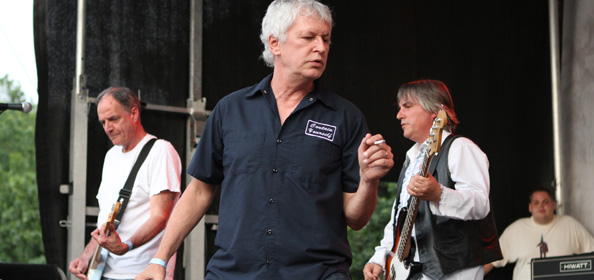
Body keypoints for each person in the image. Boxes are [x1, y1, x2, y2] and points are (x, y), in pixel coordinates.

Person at [136, 0, 394, 279]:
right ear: (275, 44)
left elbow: (356, 219)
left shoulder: (346, 117)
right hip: (233, 273)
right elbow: (199, 192)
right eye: (308, 37)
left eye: (326, 39)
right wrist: (160, 260)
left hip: (316, 274)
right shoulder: (230, 109)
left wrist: (369, 181)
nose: (320, 47)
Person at [363, 80, 503, 280]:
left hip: (454, 267)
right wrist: (380, 257)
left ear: (436, 111)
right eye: (400, 108)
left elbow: (480, 204)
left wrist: (439, 195)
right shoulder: (411, 158)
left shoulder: (460, 148)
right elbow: (398, 219)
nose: (399, 114)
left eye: (407, 106)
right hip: (416, 269)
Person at [68, 87, 182, 280]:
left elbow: (161, 217)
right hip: (103, 272)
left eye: (113, 119)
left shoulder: (160, 151)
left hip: (142, 274)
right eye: (103, 122)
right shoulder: (111, 156)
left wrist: (125, 246)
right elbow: (107, 221)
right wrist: (86, 256)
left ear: (134, 113)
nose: (107, 128)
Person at [484, 187, 594, 280]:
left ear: (554, 205)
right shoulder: (517, 229)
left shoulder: (570, 224)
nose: (541, 206)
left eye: (545, 202)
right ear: (530, 207)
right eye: (536, 203)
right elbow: (492, 260)